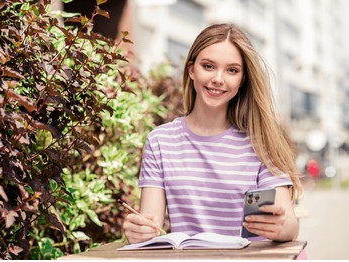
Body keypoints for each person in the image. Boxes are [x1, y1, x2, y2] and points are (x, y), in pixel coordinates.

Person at [123, 23, 301, 244]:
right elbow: (150, 224)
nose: (218, 78)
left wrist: (281, 226)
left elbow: (290, 225)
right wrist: (139, 232)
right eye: (208, 66)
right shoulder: (160, 141)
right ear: (191, 70)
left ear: (242, 80)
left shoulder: (260, 141)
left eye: (232, 70)